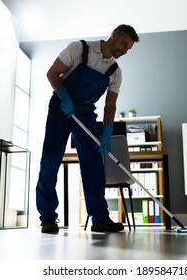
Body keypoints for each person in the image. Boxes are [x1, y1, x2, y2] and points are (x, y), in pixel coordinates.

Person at [36, 24, 139, 233]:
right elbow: (52, 74)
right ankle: (47, 217)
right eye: (123, 44)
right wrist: (64, 98)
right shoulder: (79, 49)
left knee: (93, 165)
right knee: (50, 160)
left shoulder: (115, 72)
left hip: (84, 114)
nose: (124, 51)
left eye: (128, 49)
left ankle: (99, 218)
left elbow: (110, 106)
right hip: (60, 109)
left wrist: (107, 132)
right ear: (113, 35)